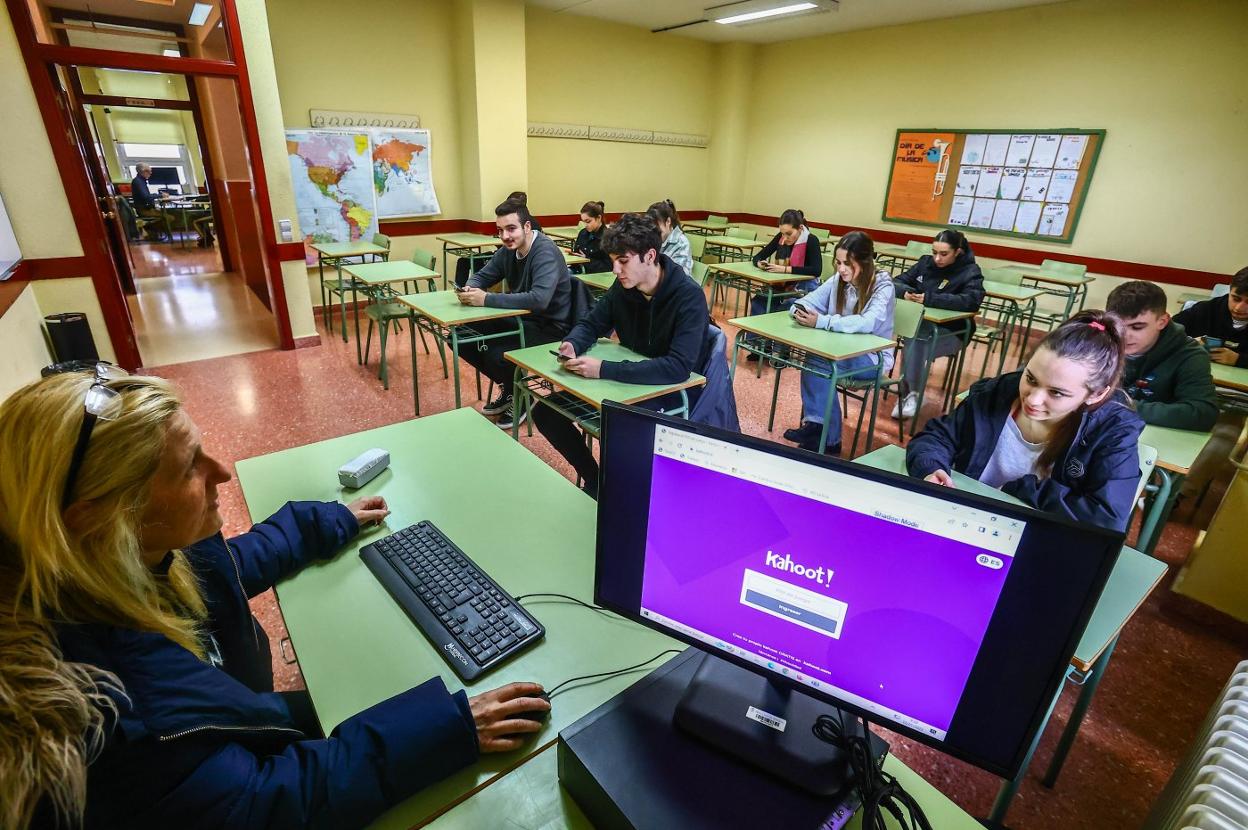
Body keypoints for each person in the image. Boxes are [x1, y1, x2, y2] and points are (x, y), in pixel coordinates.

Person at [0, 366, 548, 830]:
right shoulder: (118, 723)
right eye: (190, 467)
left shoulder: (89, 562)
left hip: (236, 724)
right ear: (101, 520)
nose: (220, 472)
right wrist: (450, 728)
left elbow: (217, 573)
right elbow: (272, 803)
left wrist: (323, 524)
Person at [906, 311, 1145, 531]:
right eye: (1030, 378)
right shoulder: (996, 392)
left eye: (1056, 393)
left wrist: (1020, 490)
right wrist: (931, 467)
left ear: (1096, 394)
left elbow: (1106, 517)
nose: (1033, 399)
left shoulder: (1114, 432)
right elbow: (937, 437)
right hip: (966, 523)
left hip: (1037, 536)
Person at [536, 213, 710, 498]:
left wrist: (603, 369)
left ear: (650, 256)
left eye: (623, 261)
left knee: (618, 426)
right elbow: (592, 323)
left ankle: (626, 492)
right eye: (613, 260)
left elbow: (677, 367)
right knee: (546, 413)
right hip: (626, 382)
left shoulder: (688, 296)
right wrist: (573, 343)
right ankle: (598, 483)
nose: (615, 269)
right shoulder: (624, 286)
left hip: (667, 390)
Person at [458, 198, 575, 429]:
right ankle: (512, 389)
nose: (505, 236)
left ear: (527, 227)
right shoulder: (507, 251)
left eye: (511, 229)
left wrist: (486, 299)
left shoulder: (545, 252)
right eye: (500, 230)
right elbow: (482, 275)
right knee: (463, 336)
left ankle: (522, 398)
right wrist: (470, 287)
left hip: (551, 328)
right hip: (523, 319)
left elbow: (539, 299)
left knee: (497, 354)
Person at [781, 231, 895, 457]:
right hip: (840, 350)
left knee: (820, 362)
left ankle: (825, 434)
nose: (841, 269)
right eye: (838, 262)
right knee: (816, 357)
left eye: (847, 264)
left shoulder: (883, 285)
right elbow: (808, 301)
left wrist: (822, 321)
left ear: (865, 262)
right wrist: (798, 310)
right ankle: (820, 431)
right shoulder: (839, 280)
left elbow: (867, 322)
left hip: (873, 358)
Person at [890, 229, 985, 419]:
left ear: (958, 252)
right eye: (934, 252)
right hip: (923, 327)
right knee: (913, 338)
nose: (937, 259)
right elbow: (896, 282)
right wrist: (906, 293)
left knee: (915, 341)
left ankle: (912, 394)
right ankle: (910, 394)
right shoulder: (925, 263)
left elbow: (971, 301)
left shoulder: (970, 272)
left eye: (944, 254)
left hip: (954, 332)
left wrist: (930, 299)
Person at [1105, 280, 1219, 431]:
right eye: (1117, 326)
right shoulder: (1097, 342)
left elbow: (1203, 413)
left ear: (1162, 321)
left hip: (1154, 437)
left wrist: (1120, 407)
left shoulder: (1190, 355)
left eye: (1137, 327)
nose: (1124, 336)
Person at [748, 208, 824, 316]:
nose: (785, 238)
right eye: (782, 234)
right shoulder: (781, 238)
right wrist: (759, 263)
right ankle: (756, 328)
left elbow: (817, 270)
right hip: (781, 286)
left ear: (800, 228)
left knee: (786, 306)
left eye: (789, 234)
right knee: (758, 301)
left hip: (803, 287)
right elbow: (758, 256)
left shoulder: (811, 240)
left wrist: (784, 269)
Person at [1173, 266, 1248, 368]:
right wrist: (1188, 342)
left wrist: (1239, 360)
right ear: (1230, 290)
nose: (1239, 308)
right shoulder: (1205, 309)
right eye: (1236, 299)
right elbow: (1166, 333)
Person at [646, 199, 693, 275]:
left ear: (668, 221)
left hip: (675, 281)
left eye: (657, 226)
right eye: (651, 227)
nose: (654, 232)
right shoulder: (652, 238)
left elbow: (676, 275)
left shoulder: (682, 243)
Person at [572, 200, 611, 274]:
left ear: (599, 218)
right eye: (583, 222)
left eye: (588, 221)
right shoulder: (582, 233)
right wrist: (572, 255)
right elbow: (576, 253)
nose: (585, 225)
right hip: (578, 270)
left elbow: (608, 267)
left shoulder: (608, 238)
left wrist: (586, 260)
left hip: (595, 275)